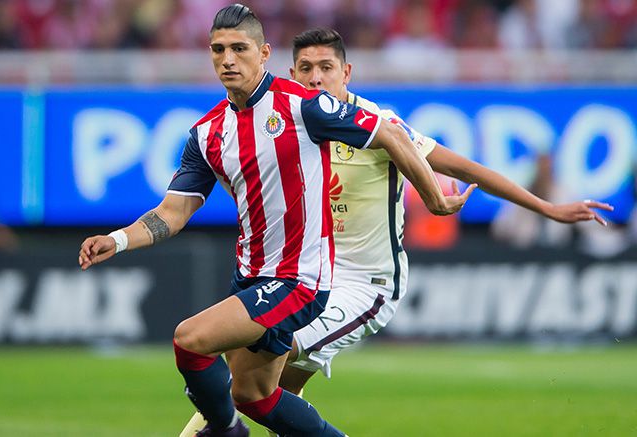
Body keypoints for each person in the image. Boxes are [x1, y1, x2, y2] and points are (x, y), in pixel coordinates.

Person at [180, 27, 615, 436]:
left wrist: (545, 207)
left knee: (245, 378)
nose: (315, 79)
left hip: (362, 286)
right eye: (306, 69)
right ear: (291, 74)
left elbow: (463, 167)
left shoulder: (375, 122)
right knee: (275, 402)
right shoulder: (287, 121)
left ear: (346, 72)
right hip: (304, 276)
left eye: (326, 68)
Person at [79, 5, 472, 437]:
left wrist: (434, 198)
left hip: (298, 280)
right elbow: (171, 214)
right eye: (218, 50)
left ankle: (227, 430)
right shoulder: (207, 133)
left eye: (239, 49)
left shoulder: (304, 105)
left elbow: (392, 134)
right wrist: (116, 240)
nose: (228, 59)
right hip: (250, 277)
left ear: (263, 53)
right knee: (256, 396)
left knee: (190, 340)